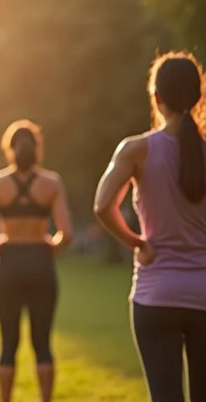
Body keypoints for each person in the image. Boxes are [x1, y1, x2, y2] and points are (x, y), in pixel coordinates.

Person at [94, 52, 206, 402]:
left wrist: (137, 242)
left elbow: (101, 205)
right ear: (198, 97)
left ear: (156, 98)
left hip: (156, 295)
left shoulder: (136, 150)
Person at [0, 120, 73, 402]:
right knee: (42, 343)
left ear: (9, 149)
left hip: (8, 264)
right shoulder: (51, 182)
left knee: (8, 343)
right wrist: (48, 246)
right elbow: (66, 233)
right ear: (37, 148)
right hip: (41, 262)